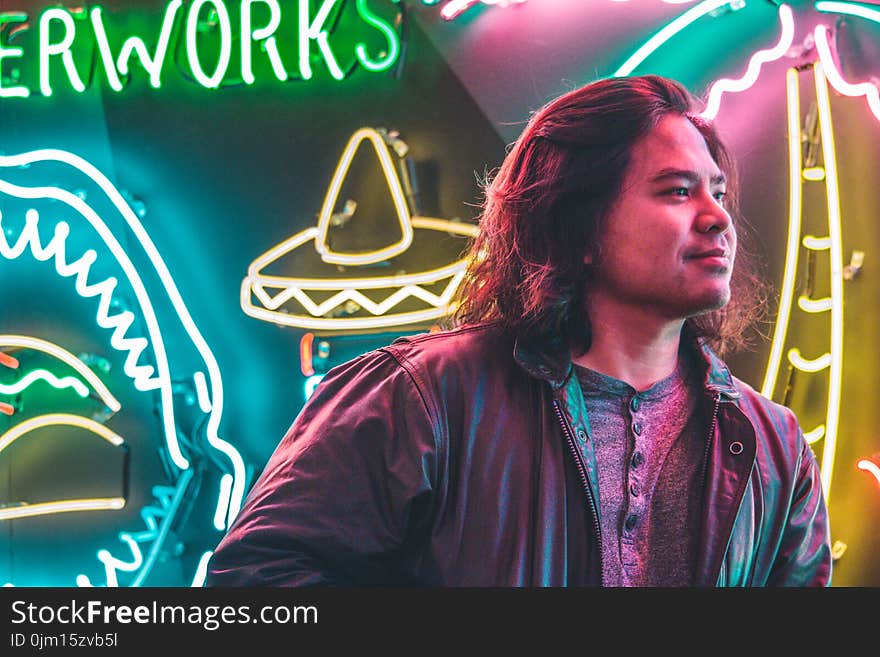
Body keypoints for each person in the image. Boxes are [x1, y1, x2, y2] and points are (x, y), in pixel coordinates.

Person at [207, 75, 832, 586]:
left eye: (718, 193)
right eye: (677, 191)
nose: (718, 217)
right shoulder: (424, 398)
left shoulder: (773, 445)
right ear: (578, 224)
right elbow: (256, 583)